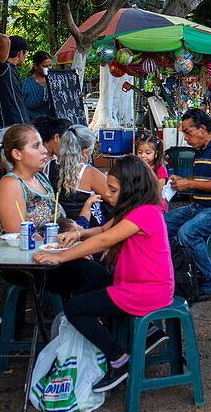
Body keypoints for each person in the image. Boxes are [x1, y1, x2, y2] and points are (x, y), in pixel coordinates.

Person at [33, 155, 174, 394]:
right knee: (98, 287)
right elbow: (101, 230)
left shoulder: (145, 213)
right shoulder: (137, 209)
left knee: (75, 308)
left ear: (131, 189)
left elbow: (104, 240)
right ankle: (147, 334)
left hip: (146, 291)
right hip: (141, 287)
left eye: (113, 190)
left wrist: (61, 256)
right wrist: (77, 235)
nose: (108, 194)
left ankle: (119, 359)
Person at [0, 124, 103, 296]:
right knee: (95, 273)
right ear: (17, 154)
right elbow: (19, 235)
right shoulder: (10, 184)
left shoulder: (41, 178)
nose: (44, 150)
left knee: (110, 261)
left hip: (54, 253)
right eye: (36, 146)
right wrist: (67, 251)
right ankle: (76, 318)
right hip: (29, 262)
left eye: (42, 144)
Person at [166, 108, 211, 302]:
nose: (186, 139)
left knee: (188, 232)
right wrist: (181, 180)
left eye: (188, 133)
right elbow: (199, 178)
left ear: (201, 129)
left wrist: (189, 184)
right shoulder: (200, 150)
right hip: (200, 206)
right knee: (162, 224)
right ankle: (185, 270)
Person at [51, 125, 110, 228]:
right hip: (88, 229)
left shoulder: (48, 167)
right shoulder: (89, 172)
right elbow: (115, 197)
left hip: (59, 228)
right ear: (85, 150)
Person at [0, 29, 30, 144]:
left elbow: (7, 40)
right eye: (25, 53)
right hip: (9, 127)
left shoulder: (9, 69)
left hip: (18, 126)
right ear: (21, 53)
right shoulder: (2, 67)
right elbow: (5, 41)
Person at [135, 132, 169, 210]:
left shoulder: (160, 169)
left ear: (156, 153)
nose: (143, 155)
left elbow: (159, 189)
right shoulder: (136, 168)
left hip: (155, 204)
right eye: (140, 152)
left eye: (147, 153)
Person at [21, 50, 54, 122]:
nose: (48, 68)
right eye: (45, 66)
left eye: (50, 65)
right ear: (36, 66)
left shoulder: (55, 82)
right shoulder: (25, 85)